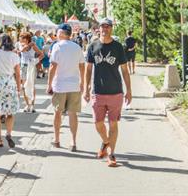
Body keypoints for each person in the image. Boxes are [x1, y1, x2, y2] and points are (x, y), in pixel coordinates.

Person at [85, 18, 132, 166]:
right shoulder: (93, 46)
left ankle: (112, 154)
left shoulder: (118, 47)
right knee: (98, 123)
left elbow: (125, 70)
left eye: (108, 26)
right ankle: (106, 142)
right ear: (98, 29)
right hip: (97, 91)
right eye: (102, 26)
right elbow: (88, 68)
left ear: (111, 28)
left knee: (113, 124)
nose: (105, 29)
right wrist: (85, 87)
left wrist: (129, 90)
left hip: (115, 91)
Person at [48, 23, 86, 150]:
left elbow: (53, 66)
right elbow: (82, 66)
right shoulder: (77, 47)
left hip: (60, 84)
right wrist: (82, 82)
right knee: (73, 114)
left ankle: (57, 139)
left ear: (62, 33)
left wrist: (49, 84)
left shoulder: (57, 46)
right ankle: (73, 141)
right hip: (74, 84)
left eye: (58, 32)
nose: (57, 34)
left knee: (57, 113)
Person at [0, 34, 23, 148]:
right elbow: (17, 73)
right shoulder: (14, 55)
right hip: (10, 84)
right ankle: (8, 133)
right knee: (10, 112)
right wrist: (18, 88)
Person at [18, 32, 43, 112]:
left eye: (22, 38)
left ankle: (32, 105)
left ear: (26, 39)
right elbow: (21, 50)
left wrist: (35, 61)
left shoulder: (33, 45)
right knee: (24, 86)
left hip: (31, 66)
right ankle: (27, 105)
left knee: (31, 85)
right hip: (23, 66)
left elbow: (41, 54)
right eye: (20, 38)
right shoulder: (19, 44)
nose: (20, 40)